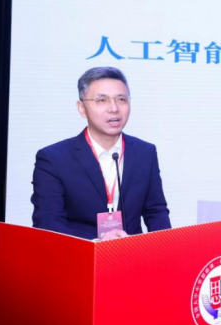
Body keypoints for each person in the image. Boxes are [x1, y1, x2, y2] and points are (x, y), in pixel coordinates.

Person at [31, 67, 171, 240]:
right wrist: (97, 244)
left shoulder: (145, 152)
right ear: (82, 108)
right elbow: (48, 222)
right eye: (102, 100)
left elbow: (156, 211)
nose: (114, 108)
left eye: (121, 99)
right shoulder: (53, 158)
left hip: (132, 253)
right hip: (81, 254)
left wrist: (165, 248)